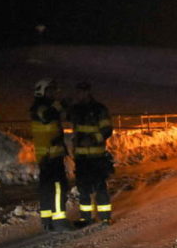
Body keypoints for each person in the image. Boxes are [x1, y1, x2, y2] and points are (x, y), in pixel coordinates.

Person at [69, 81, 115, 226]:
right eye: (78, 92)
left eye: (82, 92)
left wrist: (93, 139)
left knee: (100, 187)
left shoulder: (99, 109)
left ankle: (105, 217)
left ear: (88, 92)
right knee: (83, 189)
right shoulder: (75, 109)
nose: (79, 95)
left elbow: (107, 130)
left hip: (97, 156)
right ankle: (86, 218)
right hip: (81, 158)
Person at [30, 78, 72, 232]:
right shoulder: (40, 107)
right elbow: (47, 116)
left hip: (49, 156)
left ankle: (47, 220)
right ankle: (59, 220)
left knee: (47, 188)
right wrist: (61, 104)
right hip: (50, 156)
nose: (54, 93)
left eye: (54, 90)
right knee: (58, 187)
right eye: (50, 90)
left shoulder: (42, 107)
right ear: (41, 91)